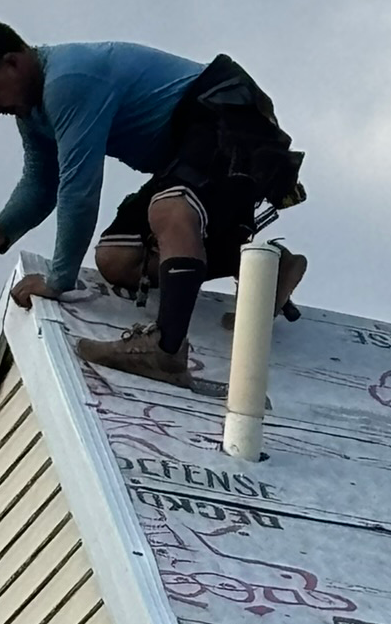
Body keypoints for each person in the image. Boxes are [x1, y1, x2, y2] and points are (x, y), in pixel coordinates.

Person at [0, 25, 306, 387]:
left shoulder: (67, 80)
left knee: (171, 209)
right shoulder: (31, 112)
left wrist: (58, 280)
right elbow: (40, 185)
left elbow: (78, 189)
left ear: (12, 63)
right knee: (118, 259)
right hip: (188, 153)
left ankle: (166, 351)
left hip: (226, 111)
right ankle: (265, 268)